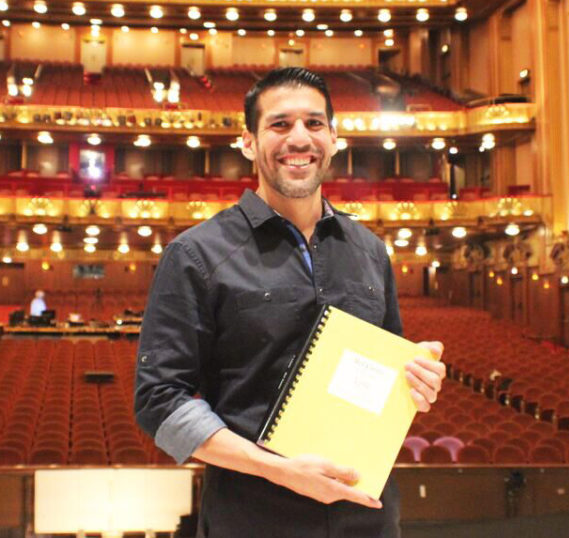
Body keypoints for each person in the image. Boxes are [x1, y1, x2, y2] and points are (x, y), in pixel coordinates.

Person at [134, 67, 446, 537]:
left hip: (368, 517)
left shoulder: (370, 251)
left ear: (335, 139)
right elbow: (160, 400)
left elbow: (381, 379)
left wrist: (417, 383)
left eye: (314, 123)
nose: (299, 138)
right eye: (280, 124)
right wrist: (277, 469)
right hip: (252, 518)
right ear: (247, 142)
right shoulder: (196, 254)